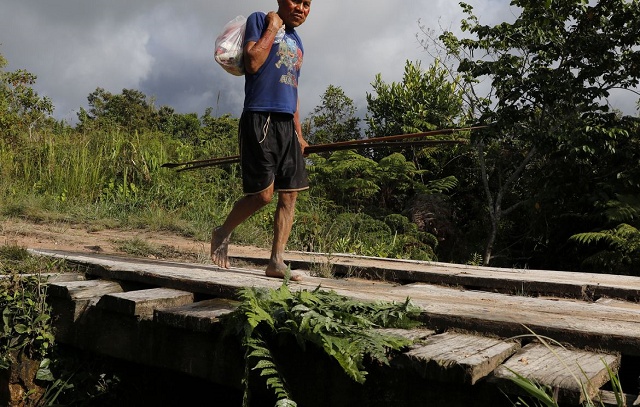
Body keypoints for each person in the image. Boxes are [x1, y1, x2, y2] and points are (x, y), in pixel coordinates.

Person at [211, 0, 312, 281]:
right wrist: (272, 27)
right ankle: (222, 231)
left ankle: (276, 262)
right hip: (261, 117)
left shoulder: (297, 39)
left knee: (289, 194)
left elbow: (293, 86)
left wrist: (299, 134)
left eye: (307, 4)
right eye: (296, 1)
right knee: (263, 196)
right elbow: (253, 62)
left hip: (287, 125)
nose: (302, 8)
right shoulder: (260, 20)